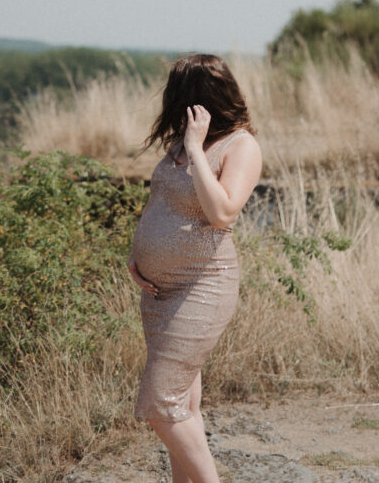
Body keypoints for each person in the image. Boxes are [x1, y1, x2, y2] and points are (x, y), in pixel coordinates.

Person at [127, 53, 263, 483]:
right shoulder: (183, 143)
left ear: (199, 100)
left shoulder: (240, 146)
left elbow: (222, 212)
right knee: (183, 404)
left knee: (160, 404)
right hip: (158, 292)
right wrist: (137, 252)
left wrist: (194, 149)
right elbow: (160, 200)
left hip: (202, 286)